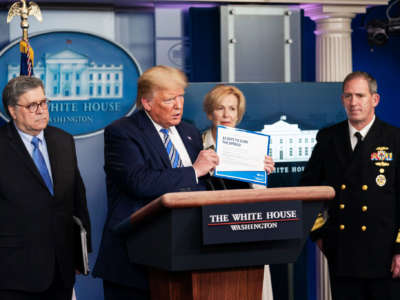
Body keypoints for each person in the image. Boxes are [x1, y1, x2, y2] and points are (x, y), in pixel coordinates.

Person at [92, 65, 219, 300]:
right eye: (170, 99)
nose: (179, 105)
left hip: (188, 256)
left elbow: (204, 182)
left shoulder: (190, 132)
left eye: (181, 96)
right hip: (136, 262)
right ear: (147, 103)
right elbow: (139, 182)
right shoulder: (122, 132)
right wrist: (194, 170)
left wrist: (251, 168)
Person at [300, 71, 400, 300]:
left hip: (385, 255)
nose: (353, 102)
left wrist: (399, 250)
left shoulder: (395, 139)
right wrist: (320, 234)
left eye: (360, 95)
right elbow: (308, 189)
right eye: (348, 96)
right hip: (344, 253)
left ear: (374, 99)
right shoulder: (328, 138)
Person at [0, 76, 91, 300]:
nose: (41, 111)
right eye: (32, 105)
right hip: (13, 272)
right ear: (13, 110)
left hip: (62, 268)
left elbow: (77, 198)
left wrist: (81, 254)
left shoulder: (63, 140)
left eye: (44, 102)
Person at [202, 84, 275, 300]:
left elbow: (259, 195)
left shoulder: (253, 145)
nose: (226, 115)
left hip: (248, 229)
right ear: (209, 113)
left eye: (232, 109)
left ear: (238, 113)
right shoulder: (197, 144)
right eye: (220, 108)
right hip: (212, 230)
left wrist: (263, 173)